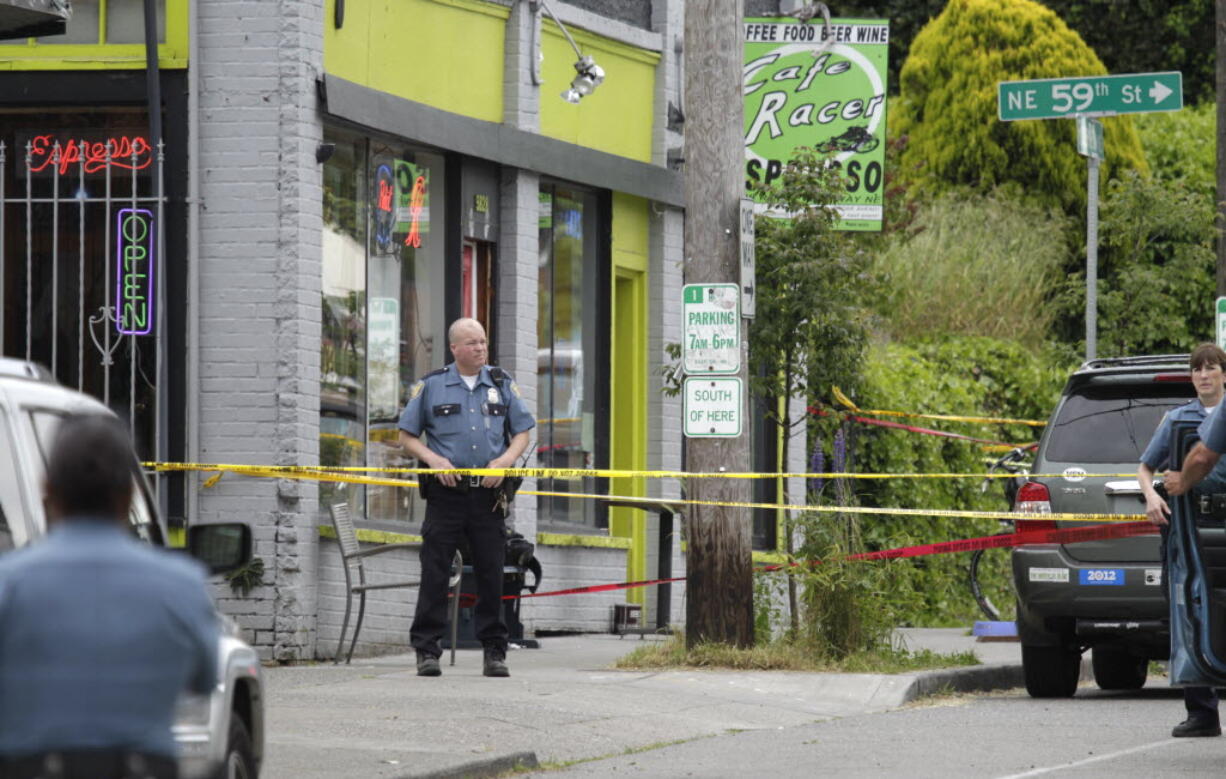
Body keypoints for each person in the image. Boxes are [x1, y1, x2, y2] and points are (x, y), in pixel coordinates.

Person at [0, 413, 219, 779]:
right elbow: (206, 680)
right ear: (129, 493)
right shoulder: (182, 584)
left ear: (48, 490)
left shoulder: (10, 582)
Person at [399, 318, 533, 678]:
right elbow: (407, 435)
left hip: (488, 496)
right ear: (454, 348)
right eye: (472, 343)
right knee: (435, 571)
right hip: (446, 493)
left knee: (492, 572)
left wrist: (504, 463)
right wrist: (433, 458)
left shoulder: (501, 383)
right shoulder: (431, 386)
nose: (480, 348)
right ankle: (427, 651)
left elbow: (523, 431)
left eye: (484, 341)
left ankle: (494, 652)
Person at [1138, 343, 1226, 737]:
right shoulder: (1177, 419)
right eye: (1197, 369)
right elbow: (1146, 466)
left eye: (1212, 368)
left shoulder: (1220, 417)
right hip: (1189, 528)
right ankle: (1202, 711)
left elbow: (1203, 458)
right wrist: (1152, 495)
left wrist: (1185, 478)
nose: (1204, 375)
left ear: (1224, 373)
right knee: (1189, 607)